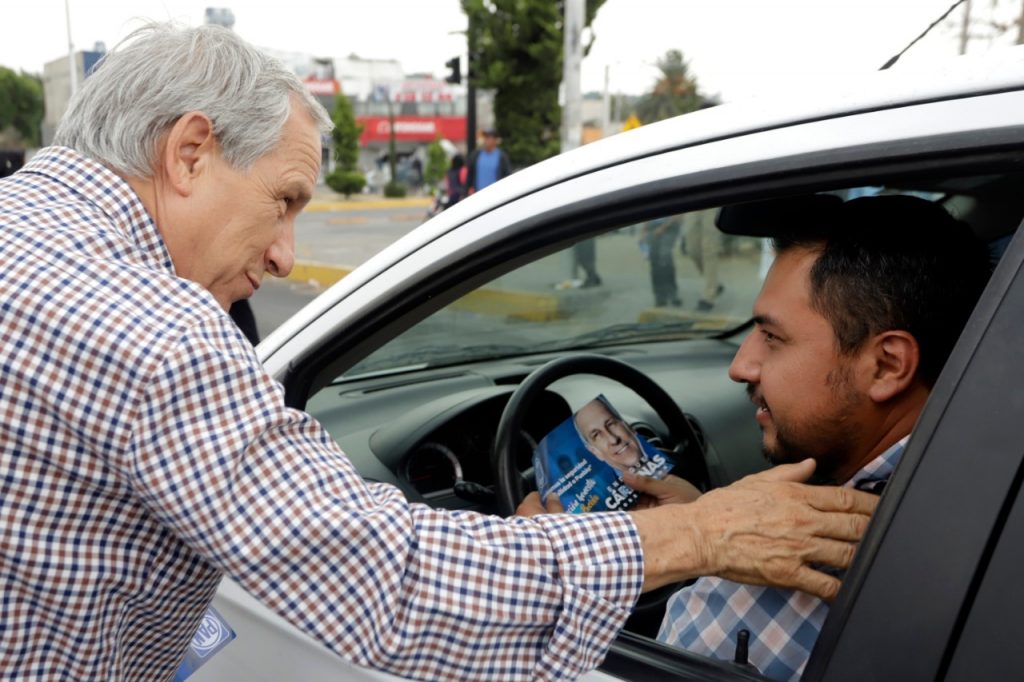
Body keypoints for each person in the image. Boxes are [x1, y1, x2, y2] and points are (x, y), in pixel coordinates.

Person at [0, 23, 878, 681]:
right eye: (285, 199)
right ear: (189, 153)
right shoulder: (153, 331)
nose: (283, 255)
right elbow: (383, 581)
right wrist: (701, 532)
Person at [647, 195, 992, 680]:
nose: (740, 366)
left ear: (886, 365)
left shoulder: (833, 569)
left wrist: (674, 543)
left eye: (772, 337)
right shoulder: (972, 479)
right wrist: (702, 523)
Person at [574, 396, 670, 477]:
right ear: (596, 453)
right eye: (597, 435)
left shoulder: (671, 456)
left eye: (611, 423)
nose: (613, 440)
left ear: (627, 426)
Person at [681, 208, 724, 311]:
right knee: (691, 248)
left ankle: (709, 296)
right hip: (692, 201)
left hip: (713, 202)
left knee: (709, 249)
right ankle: (714, 284)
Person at [641, 216, 682, 306]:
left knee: (665, 258)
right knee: (655, 261)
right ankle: (659, 295)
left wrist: (664, 226)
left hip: (671, 225)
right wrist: (644, 230)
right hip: (653, 226)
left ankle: (672, 292)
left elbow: (678, 214)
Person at [466, 127, 511, 193]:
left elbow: (507, 175)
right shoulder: (476, 155)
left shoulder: (502, 156)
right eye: (485, 137)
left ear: (495, 140)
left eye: (489, 137)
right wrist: (467, 190)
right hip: (478, 194)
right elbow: (470, 175)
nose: (486, 140)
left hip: (496, 195)